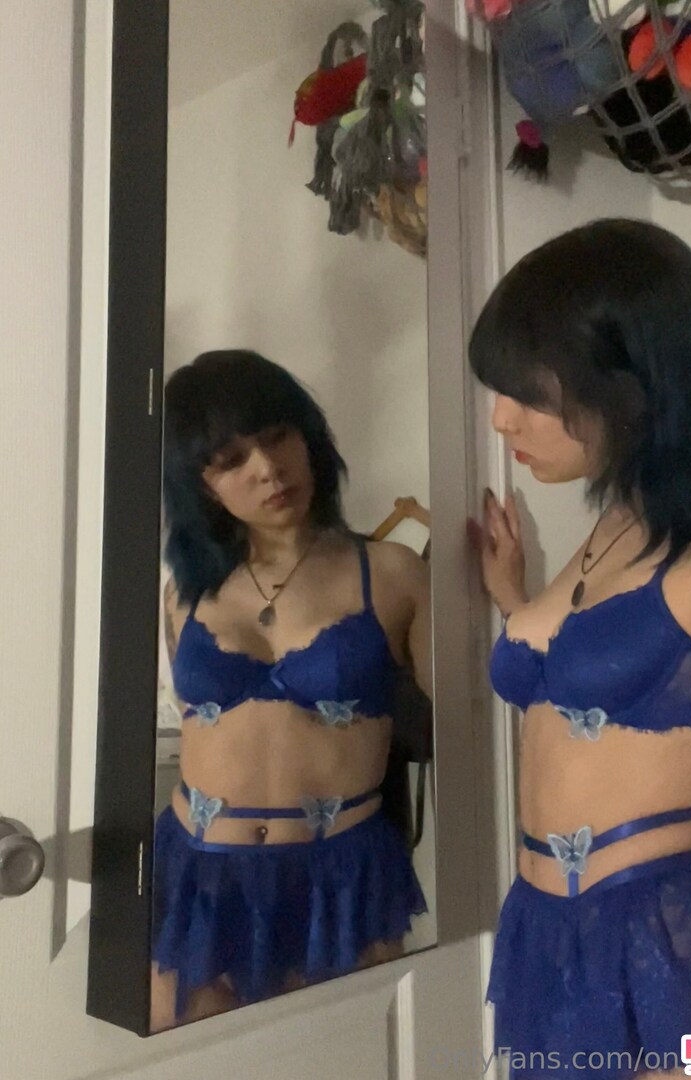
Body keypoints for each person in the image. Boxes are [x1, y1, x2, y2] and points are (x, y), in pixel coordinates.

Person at [469, 219, 691, 1079]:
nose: (502, 418)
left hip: (681, 944)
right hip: (544, 937)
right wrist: (513, 601)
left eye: (529, 391)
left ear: (631, 378)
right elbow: (581, 685)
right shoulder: (610, 532)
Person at [151, 349, 430, 1030]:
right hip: (198, 872)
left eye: (277, 437)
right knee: (190, 1064)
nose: (268, 469)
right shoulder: (182, 592)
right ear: (200, 483)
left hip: (338, 876)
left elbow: (476, 725)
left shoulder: (392, 572)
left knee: (344, 1053)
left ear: (309, 437)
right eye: (231, 460)